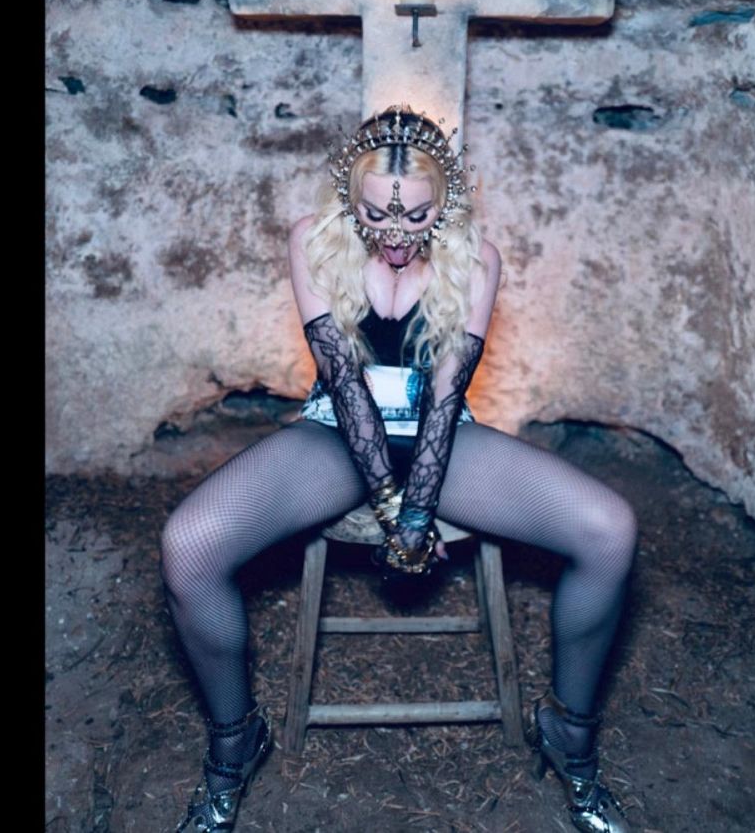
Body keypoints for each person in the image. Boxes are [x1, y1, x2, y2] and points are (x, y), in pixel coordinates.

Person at [162, 106, 637, 833]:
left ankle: (569, 735)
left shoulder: (475, 258)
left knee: (609, 529)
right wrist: (391, 510)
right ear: (347, 199)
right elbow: (344, 384)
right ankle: (234, 743)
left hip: (440, 436)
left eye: (417, 216)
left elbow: (447, 396)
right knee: (189, 545)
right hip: (337, 432)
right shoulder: (313, 242)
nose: (396, 234)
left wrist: (419, 511)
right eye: (376, 214)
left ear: (444, 201)